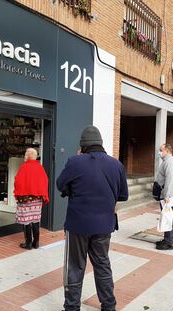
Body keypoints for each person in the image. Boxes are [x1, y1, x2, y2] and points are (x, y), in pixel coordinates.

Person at [57, 126, 128, 311]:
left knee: (74, 266)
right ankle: (109, 305)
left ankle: (72, 306)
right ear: (101, 143)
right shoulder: (116, 164)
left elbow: (60, 185)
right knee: (102, 264)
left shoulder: (75, 161)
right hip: (104, 225)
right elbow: (123, 196)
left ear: (83, 146)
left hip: (77, 224)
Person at [14, 148, 49, 250]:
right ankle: (36, 242)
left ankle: (28, 243)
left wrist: (19, 193)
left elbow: (18, 182)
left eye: (25, 154)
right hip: (37, 200)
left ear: (27, 156)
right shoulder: (40, 167)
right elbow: (45, 181)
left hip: (26, 199)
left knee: (27, 220)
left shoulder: (24, 167)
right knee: (36, 219)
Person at [154, 143, 173, 250]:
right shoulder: (167, 161)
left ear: (167, 150)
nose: (159, 152)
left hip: (168, 195)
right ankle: (167, 239)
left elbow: (169, 179)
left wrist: (166, 196)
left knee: (168, 217)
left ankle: (169, 242)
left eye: (161, 150)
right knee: (166, 216)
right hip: (167, 194)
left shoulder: (170, 161)